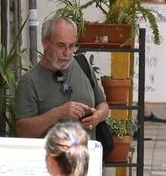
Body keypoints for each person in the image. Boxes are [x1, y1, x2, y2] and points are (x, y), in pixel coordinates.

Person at [14, 17, 113, 161]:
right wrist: (58, 113)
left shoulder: (83, 66)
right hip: (50, 166)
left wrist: (97, 117)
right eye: (61, 46)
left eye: (72, 46)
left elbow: (103, 105)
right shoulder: (29, 82)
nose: (67, 53)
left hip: (86, 163)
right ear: (45, 43)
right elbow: (23, 131)